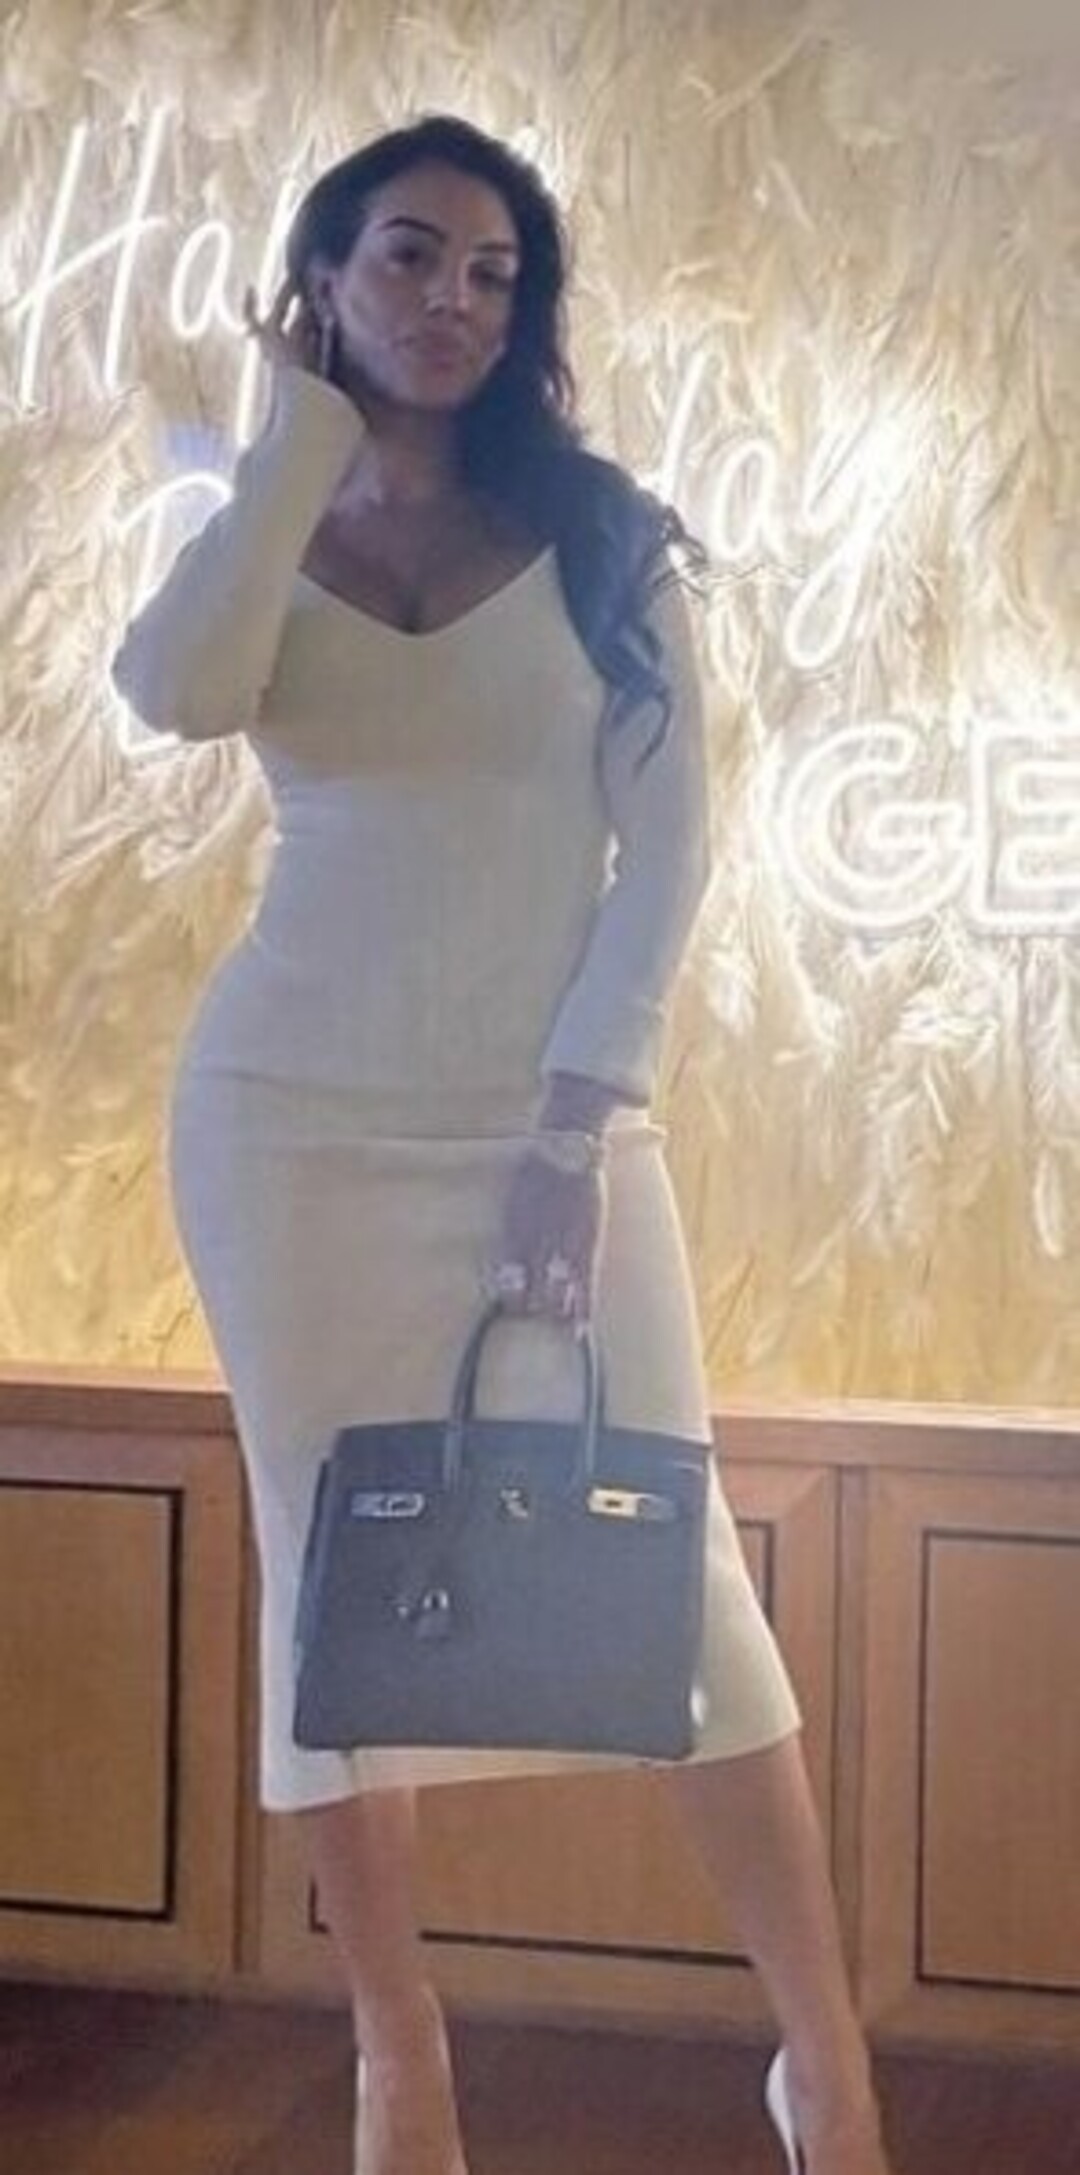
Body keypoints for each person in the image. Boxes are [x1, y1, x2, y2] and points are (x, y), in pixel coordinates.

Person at [111, 114, 895, 2175]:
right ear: (326, 276)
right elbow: (177, 693)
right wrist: (290, 446)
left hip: (553, 1122)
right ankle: (399, 2053)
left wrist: (576, 1120)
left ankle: (825, 2063)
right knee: (332, 1579)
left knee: (682, 1578)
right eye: (410, 255)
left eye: (493, 271)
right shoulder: (258, 512)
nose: (455, 299)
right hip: (287, 1123)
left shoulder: (605, 535)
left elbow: (671, 848)